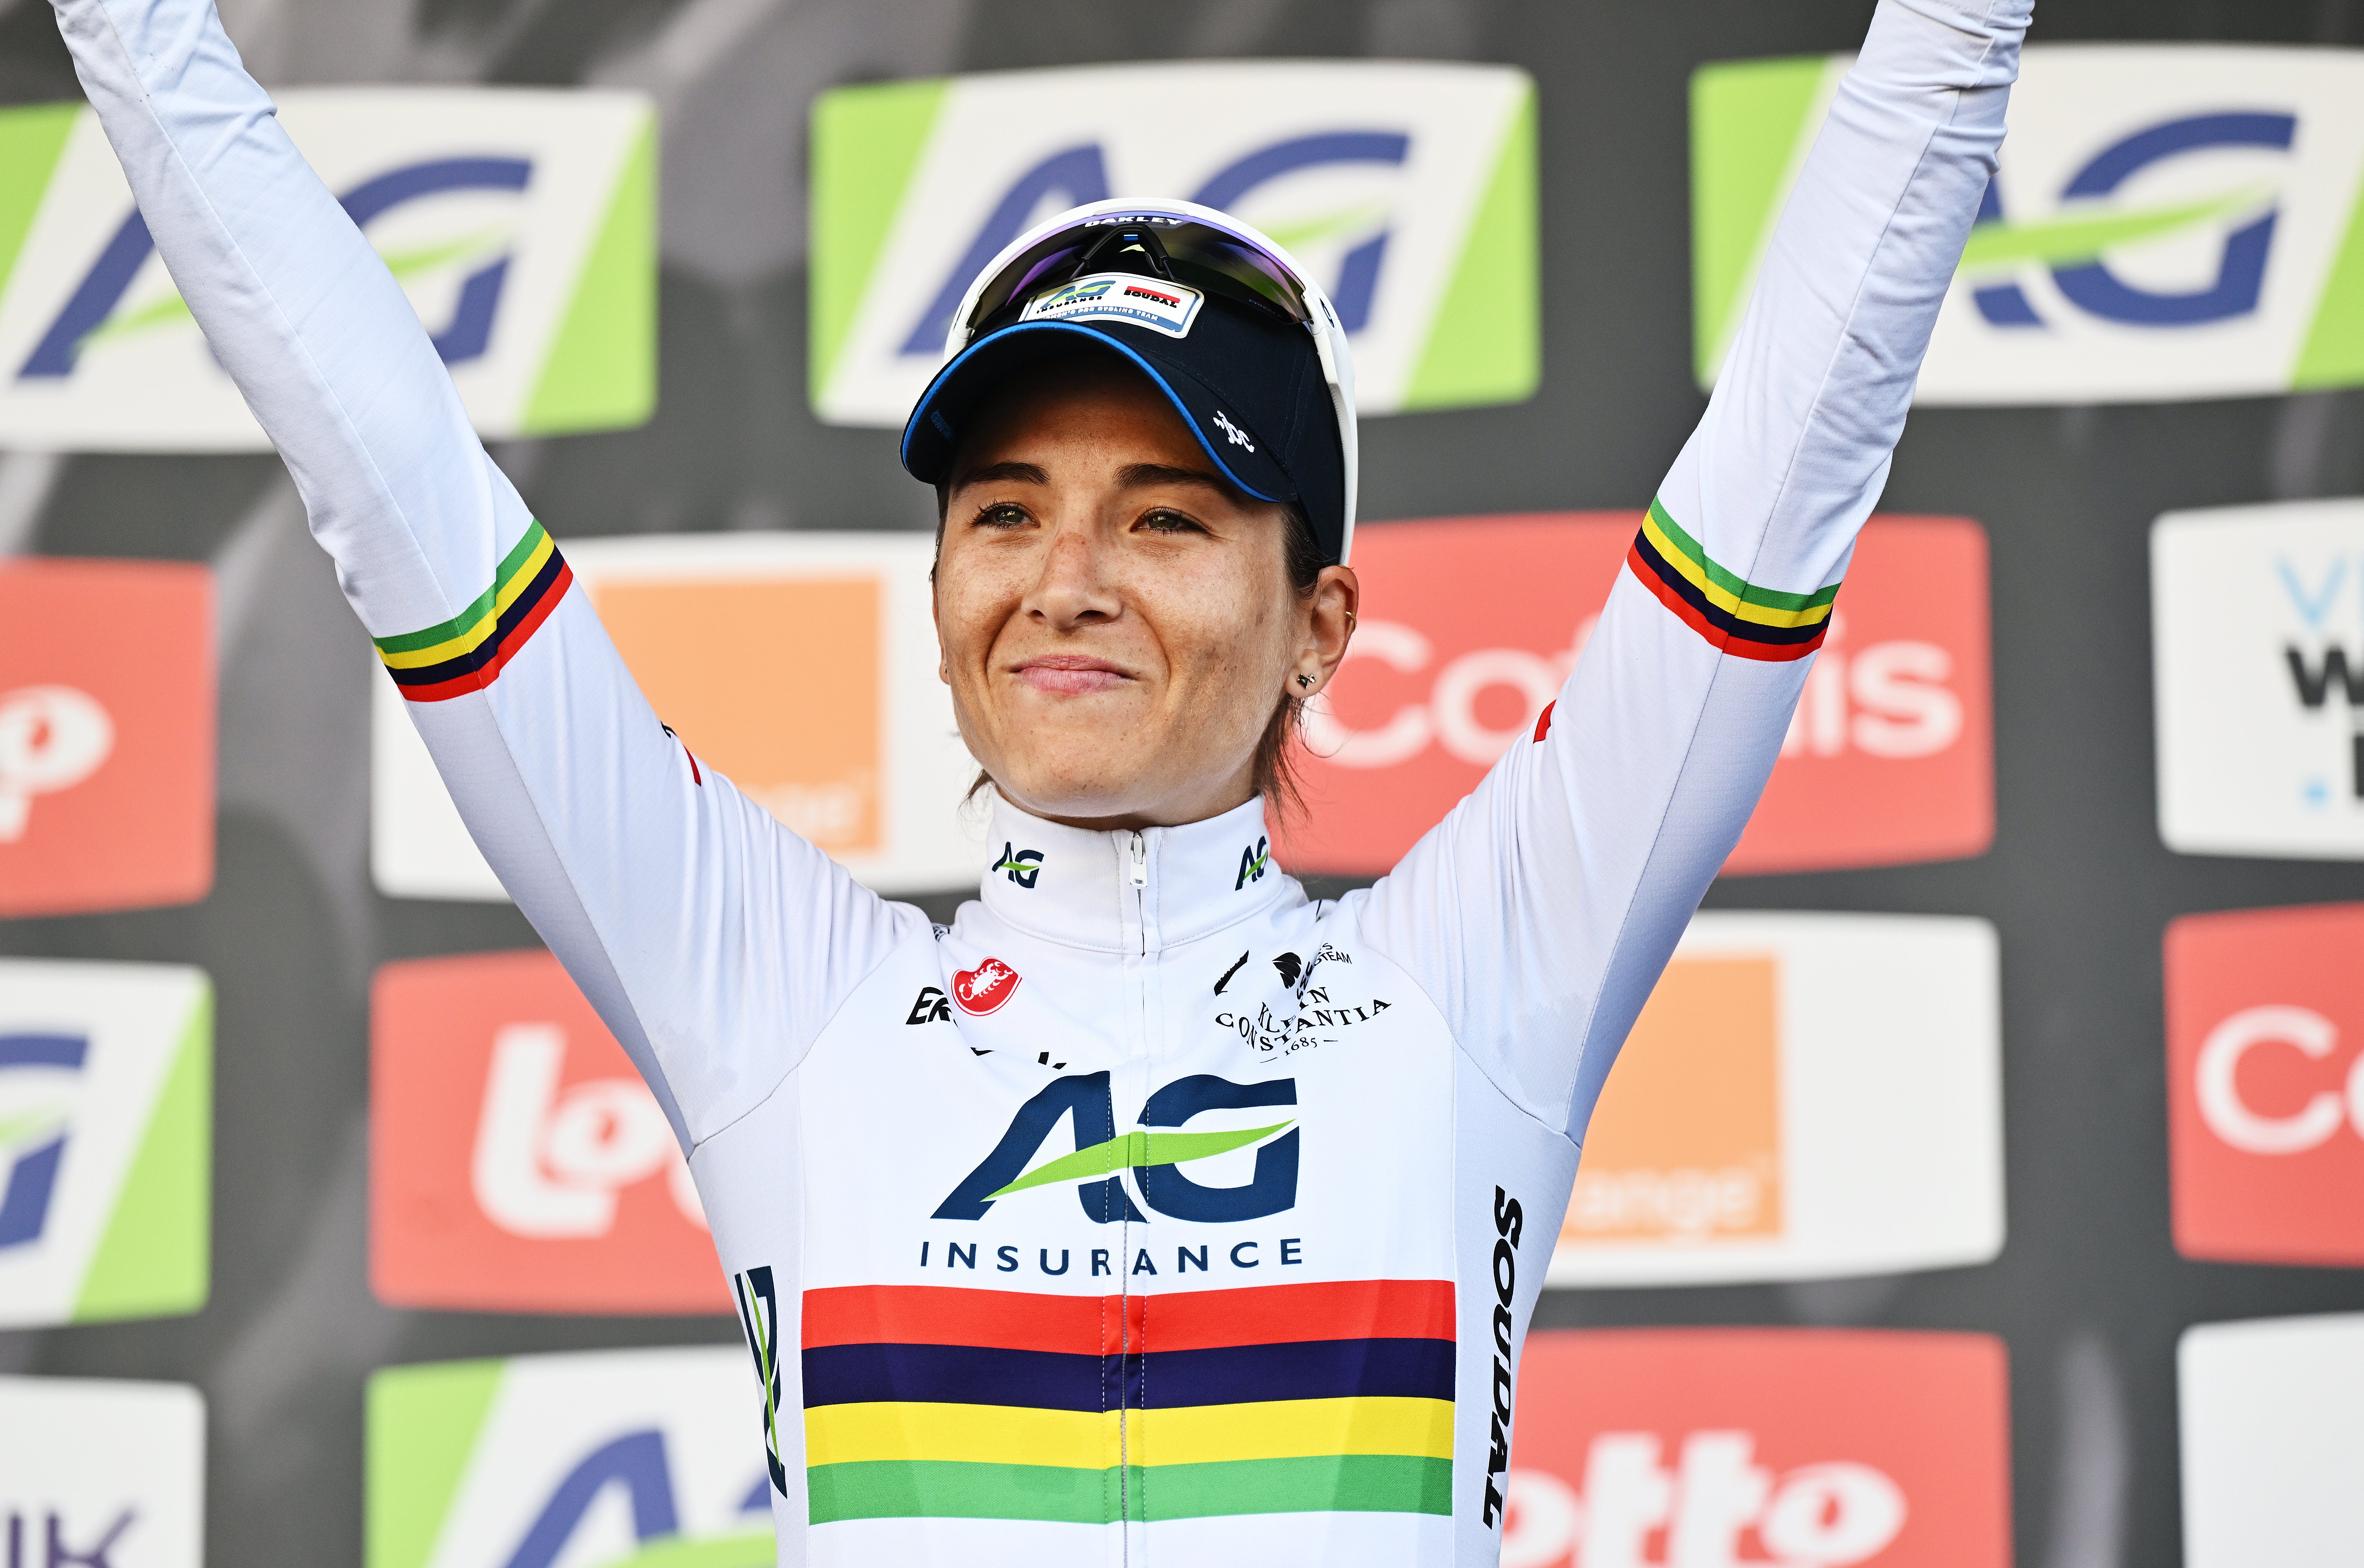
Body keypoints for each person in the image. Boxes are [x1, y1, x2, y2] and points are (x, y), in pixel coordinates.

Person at [48, 0, 2027, 1558]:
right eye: (1004, 511)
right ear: (936, 595)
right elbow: (390, 487)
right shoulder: (788, 1000)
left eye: (1166, 519)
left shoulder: (1475, 984)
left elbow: (1790, 447)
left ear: (1320, 622)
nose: (1064, 580)